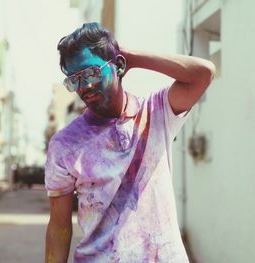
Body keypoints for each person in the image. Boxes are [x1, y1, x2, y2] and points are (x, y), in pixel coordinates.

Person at [44, 22, 215, 263]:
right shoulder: (65, 144)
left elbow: (203, 73)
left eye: (92, 72)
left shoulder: (156, 112)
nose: (85, 86)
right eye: (75, 80)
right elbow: (59, 227)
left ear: (120, 66)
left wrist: (130, 56)